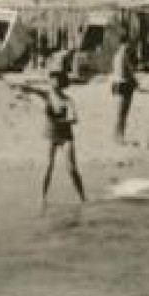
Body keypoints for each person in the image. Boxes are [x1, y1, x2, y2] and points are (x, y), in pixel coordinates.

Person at [23, 69, 87, 211]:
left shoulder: (67, 100)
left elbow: (74, 119)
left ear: (62, 83)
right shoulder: (47, 95)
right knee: (47, 166)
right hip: (50, 134)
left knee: (71, 168)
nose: (52, 82)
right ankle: (42, 198)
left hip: (66, 136)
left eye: (56, 80)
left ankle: (83, 198)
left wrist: (59, 120)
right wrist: (23, 89)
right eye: (51, 80)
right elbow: (31, 90)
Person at [111, 35, 137, 144]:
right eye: (128, 43)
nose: (129, 46)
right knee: (123, 113)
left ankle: (117, 136)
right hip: (124, 84)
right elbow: (128, 71)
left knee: (119, 113)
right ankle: (119, 136)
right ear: (124, 43)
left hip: (117, 84)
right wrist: (135, 81)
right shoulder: (123, 56)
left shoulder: (117, 55)